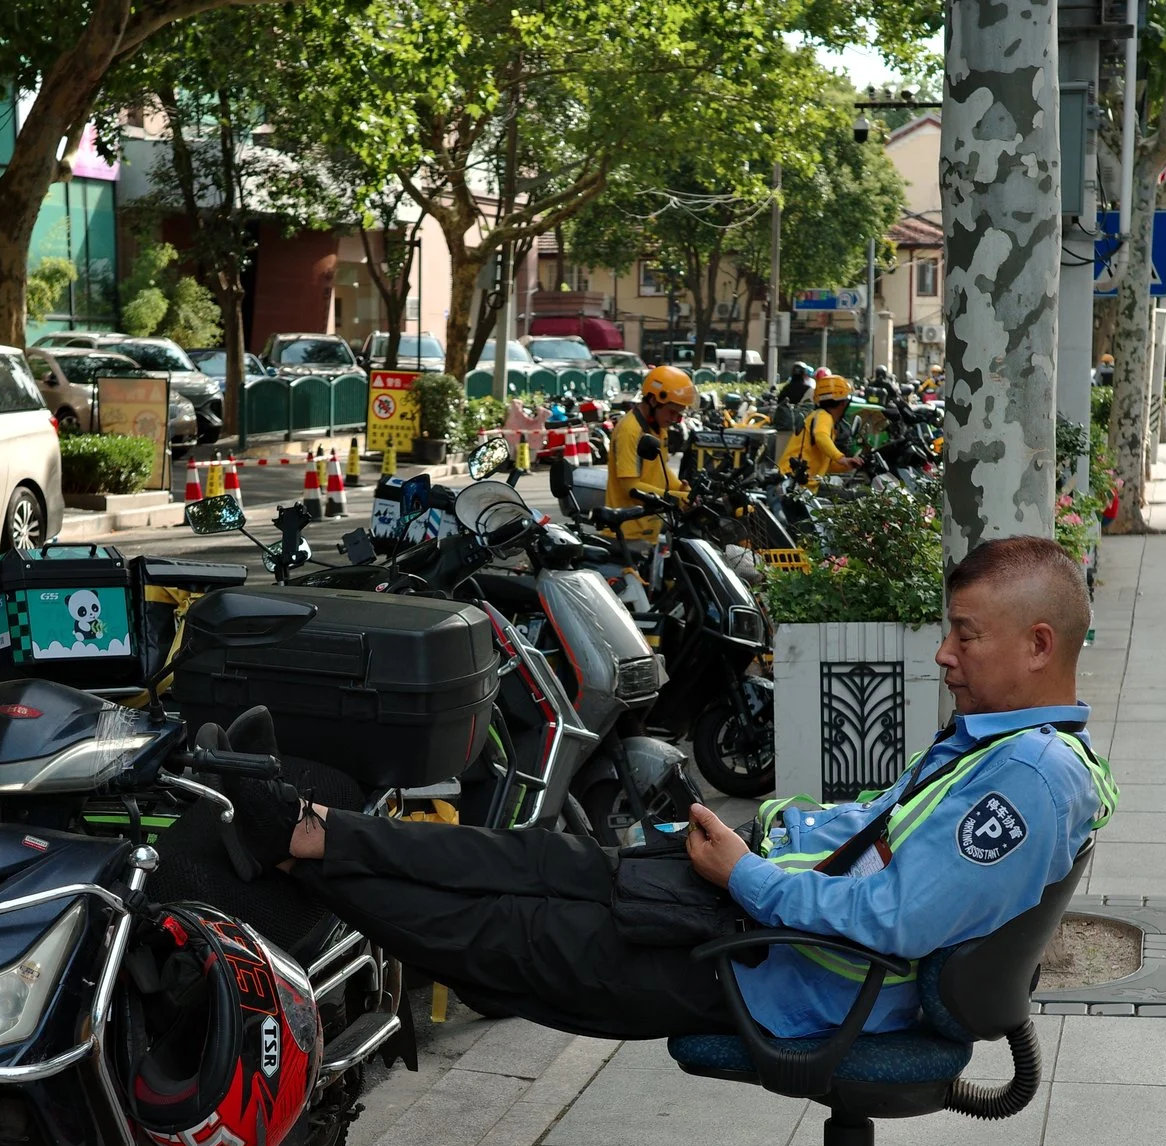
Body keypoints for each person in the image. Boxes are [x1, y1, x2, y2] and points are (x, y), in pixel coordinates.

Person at [231, 536, 1115, 1042]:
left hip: (780, 970)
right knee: (540, 857)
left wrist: (749, 878)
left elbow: (900, 920)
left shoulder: (1029, 779)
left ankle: (301, 861)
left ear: (1039, 645)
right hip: (764, 916)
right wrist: (764, 828)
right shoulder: (1004, 743)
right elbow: (878, 832)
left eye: (965, 635)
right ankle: (315, 829)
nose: (944, 653)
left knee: (511, 934)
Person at [602, 363, 695, 542]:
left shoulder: (658, 428)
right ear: (653, 401)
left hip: (650, 530)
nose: (676, 419)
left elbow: (660, 470)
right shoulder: (630, 431)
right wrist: (675, 499)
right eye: (672, 412)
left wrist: (681, 488)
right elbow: (630, 487)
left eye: (680, 414)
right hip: (627, 534)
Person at [778, 371, 861, 483]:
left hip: (798, 485)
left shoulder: (822, 419)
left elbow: (825, 464)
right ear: (843, 403)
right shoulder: (823, 416)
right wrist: (841, 458)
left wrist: (848, 465)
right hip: (792, 482)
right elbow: (821, 436)